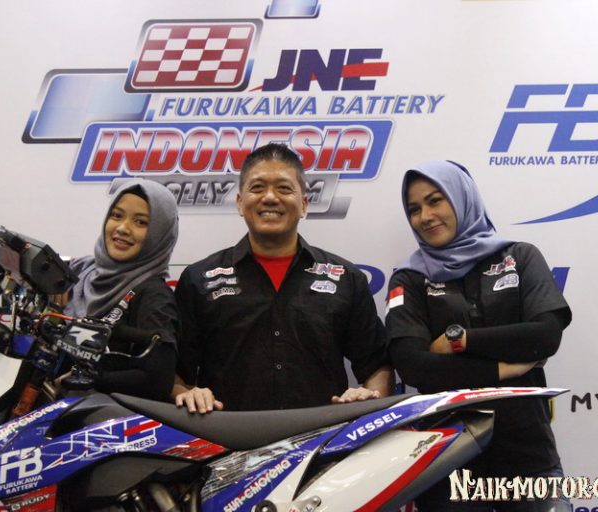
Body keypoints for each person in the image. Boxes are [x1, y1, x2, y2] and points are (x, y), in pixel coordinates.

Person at [385, 160, 572, 511]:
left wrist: (459, 341)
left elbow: (546, 336)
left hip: (528, 458)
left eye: (435, 200)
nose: (425, 216)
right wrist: (502, 370)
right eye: (414, 209)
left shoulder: (520, 256)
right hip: (445, 466)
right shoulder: (409, 279)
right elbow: (414, 366)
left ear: (462, 198)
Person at [172, 143, 393, 413]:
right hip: (225, 436)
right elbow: (175, 373)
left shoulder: (346, 279)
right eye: (257, 187)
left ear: (303, 205)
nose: (269, 197)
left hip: (325, 434)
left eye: (284, 188)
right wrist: (187, 394)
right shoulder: (198, 280)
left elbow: (377, 366)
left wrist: (370, 399)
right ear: (240, 203)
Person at [63, 179, 179, 402]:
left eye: (141, 222)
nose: (123, 228)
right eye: (117, 216)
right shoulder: (83, 271)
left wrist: (91, 377)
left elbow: (158, 380)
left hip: (105, 418)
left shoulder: (154, 296)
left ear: (159, 233)